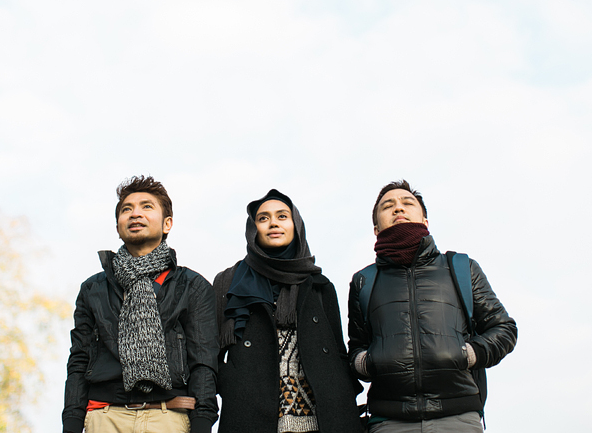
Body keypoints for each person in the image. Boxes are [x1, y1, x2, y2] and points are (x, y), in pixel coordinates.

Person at [348, 181, 517, 433]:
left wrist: (469, 354)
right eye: (387, 206)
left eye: (407, 203)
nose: (398, 208)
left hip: (458, 416)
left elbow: (504, 329)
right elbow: (356, 348)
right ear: (376, 228)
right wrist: (368, 363)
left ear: (425, 221)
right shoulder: (364, 281)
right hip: (389, 421)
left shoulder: (461, 268)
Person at [63, 176, 218, 433]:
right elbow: (79, 360)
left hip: (169, 417)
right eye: (127, 209)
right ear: (117, 227)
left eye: (147, 206)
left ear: (167, 223)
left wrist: (202, 421)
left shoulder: (192, 286)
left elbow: (203, 361)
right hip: (105, 417)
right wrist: (71, 422)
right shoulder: (93, 289)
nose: (135, 213)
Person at [213, 189, 363, 433]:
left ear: (296, 225)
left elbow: (338, 353)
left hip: (323, 420)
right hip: (251, 416)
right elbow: (212, 354)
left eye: (282, 216)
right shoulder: (229, 283)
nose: (273, 223)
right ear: (253, 229)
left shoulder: (320, 285)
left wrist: (344, 396)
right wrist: (232, 384)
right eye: (263, 218)